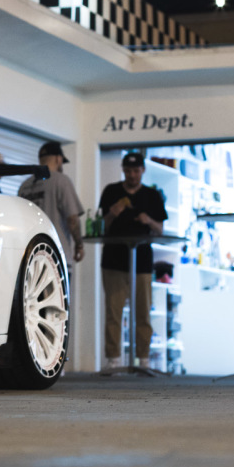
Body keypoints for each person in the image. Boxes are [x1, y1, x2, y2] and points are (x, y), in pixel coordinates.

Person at [99, 151, 167, 371]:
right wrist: (112, 213)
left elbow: (160, 230)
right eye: (128, 171)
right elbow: (101, 226)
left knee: (143, 312)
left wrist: (149, 221)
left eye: (136, 171)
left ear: (143, 170)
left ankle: (143, 358)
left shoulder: (152, 195)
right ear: (123, 170)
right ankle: (113, 359)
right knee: (113, 312)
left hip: (143, 261)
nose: (132, 175)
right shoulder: (111, 191)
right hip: (113, 260)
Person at [18, 141, 85, 264]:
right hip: (56, 255)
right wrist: (79, 245)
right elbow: (72, 219)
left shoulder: (24, 186)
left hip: (29, 254)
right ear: (58, 159)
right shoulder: (61, 180)